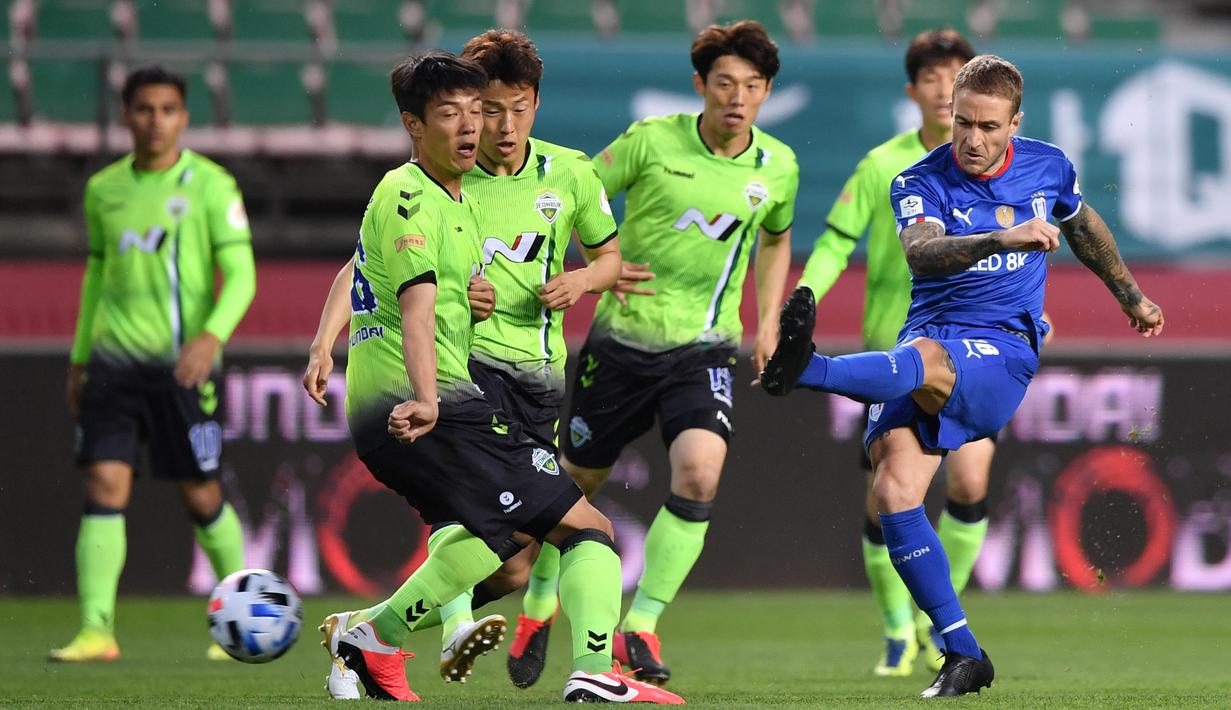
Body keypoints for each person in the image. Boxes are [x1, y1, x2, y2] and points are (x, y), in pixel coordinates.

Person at [762, 54, 1163, 697]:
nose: (973, 140)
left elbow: (1082, 224)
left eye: (989, 127)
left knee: (927, 370)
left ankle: (807, 369)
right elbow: (923, 253)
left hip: (1003, 348)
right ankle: (963, 651)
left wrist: (1130, 297)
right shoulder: (916, 181)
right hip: (927, 335)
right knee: (895, 491)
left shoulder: (1047, 165)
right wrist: (1000, 239)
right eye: (963, 123)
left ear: (1015, 124)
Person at [311, 51, 681, 704]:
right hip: (448, 390)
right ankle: (589, 665)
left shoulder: (505, 188)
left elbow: (407, 277)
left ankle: (373, 634)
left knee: (507, 554)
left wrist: (556, 282)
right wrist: (413, 384)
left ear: (535, 105)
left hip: (500, 388)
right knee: (584, 529)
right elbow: (405, 292)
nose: (488, 126)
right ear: (422, 123)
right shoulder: (419, 189)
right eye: (470, 112)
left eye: (500, 110)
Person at [527, 19, 798, 686]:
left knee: (701, 473)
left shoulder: (778, 167)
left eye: (753, 87)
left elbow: (773, 239)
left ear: (765, 93)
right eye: (725, 83)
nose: (737, 98)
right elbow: (576, 196)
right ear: (699, 84)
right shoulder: (651, 142)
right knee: (575, 484)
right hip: (621, 344)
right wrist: (597, 266)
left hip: (703, 349)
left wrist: (766, 325)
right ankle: (537, 603)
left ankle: (640, 623)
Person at [796, 29, 991, 677]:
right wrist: (802, 297)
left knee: (969, 482)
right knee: (888, 497)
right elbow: (833, 242)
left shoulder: (1000, 170)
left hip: (967, 355)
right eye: (932, 79)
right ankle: (894, 629)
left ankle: (934, 617)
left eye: (955, 78)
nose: (943, 90)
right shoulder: (885, 167)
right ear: (912, 91)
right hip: (894, 356)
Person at [52, 66, 255, 663]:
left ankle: (238, 624)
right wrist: (80, 357)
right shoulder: (103, 190)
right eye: (144, 109)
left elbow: (242, 274)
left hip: (183, 369)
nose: (156, 120)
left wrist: (211, 337)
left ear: (184, 117)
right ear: (126, 116)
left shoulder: (212, 186)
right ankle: (96, 630)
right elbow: (97, 275)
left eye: (168, 109)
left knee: (201, 493)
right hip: (112, 368)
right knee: (104, 480)